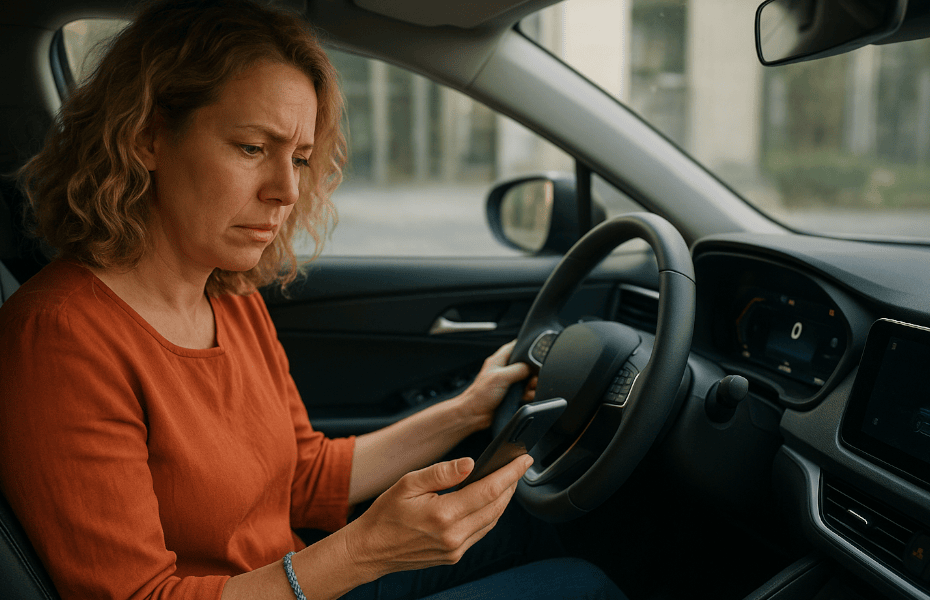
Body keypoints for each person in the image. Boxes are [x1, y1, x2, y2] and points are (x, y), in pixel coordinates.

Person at [0, 1, 626, 599]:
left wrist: (466, 410)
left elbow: (303, 477)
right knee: (584, 585)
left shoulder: (229, 294)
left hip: (295, 581)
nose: (287, 190)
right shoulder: (60, 339)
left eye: (299, 158)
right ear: (146, 138)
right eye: (252, 149)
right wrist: (364, 552)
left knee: (539, 527)